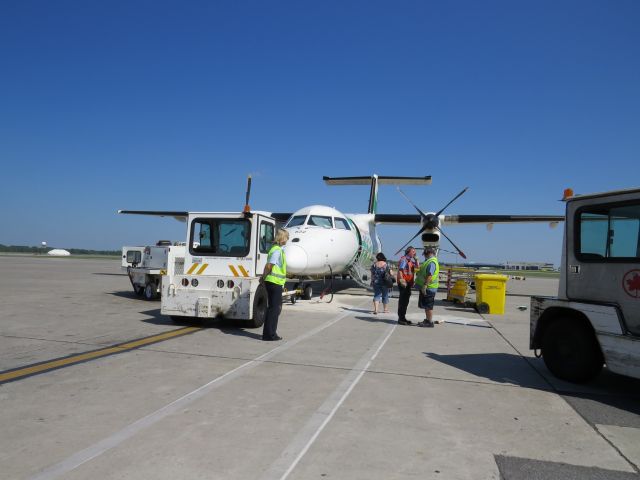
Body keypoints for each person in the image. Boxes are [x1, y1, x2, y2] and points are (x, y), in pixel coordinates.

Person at [260, 228, 289, 341]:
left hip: (274, 282)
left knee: (273, 308)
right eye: (286, 237)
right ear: (282, 238)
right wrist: (263, 277)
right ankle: (270, 334)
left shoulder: (276, 249)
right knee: (274, 309)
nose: (288, 239)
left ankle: (270, 333)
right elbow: (269, 265)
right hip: (274, 282)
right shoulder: (277, 250)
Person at [415, 247, 440, 327]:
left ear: (428, 253)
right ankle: (427, 320)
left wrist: (425, 285)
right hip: (428, 287)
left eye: (425, 254)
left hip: (429, 287)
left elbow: (430, 275)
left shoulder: (432, 262)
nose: (424, 256)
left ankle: (429, 322)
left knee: (428, 306)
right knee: (426, 305)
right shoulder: (429, 261)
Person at [396, 246, 419, 326]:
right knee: (402, 301)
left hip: (408, 283)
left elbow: (417, 267)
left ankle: (403, 317)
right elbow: (400, 270)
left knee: (406, 301)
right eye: (413, 252)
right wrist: (402, 280)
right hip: (404, 283)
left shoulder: (410, 261)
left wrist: (416, 260)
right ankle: (400, 318)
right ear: (408, 252)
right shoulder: (404, 260)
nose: (414, 253)